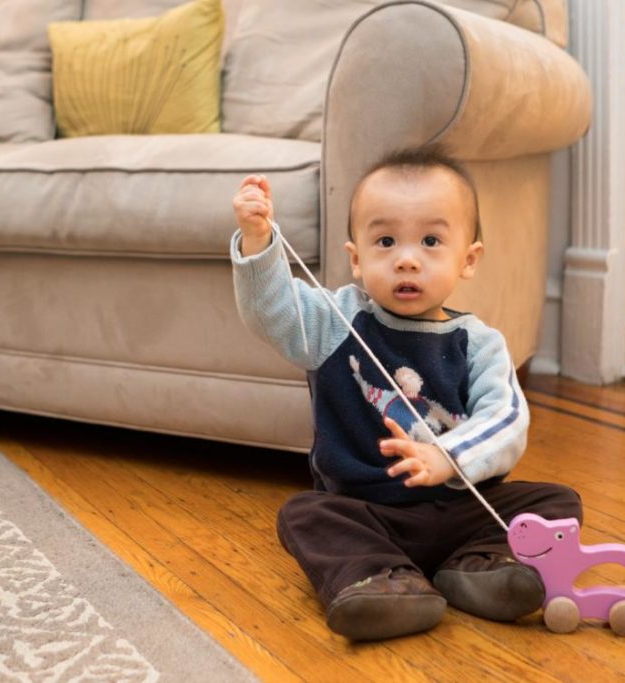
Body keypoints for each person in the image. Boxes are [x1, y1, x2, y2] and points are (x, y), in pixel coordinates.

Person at [229, 144, 583, 641]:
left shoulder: (479, 343)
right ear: (356, 259)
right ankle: (380, 579)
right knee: (304, 514)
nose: (407, 260)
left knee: (556, 501)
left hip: (461, 510)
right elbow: (273, 312)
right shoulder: (337, 322)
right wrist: (257, 241)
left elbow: (506, 420)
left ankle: (479, 566)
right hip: (369, 515)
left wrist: (448, 458)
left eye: (431, 241)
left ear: (468, 259)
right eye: (386, 241)